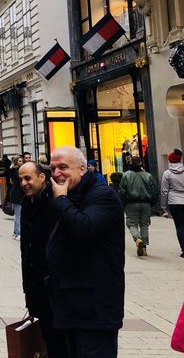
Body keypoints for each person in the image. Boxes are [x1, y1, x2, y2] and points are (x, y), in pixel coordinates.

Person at [47, 146, 124, 358]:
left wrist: (62, 201)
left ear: (82, 169)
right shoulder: (72, 193)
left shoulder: (103, 196)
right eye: (53, 168)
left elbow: (85, 229)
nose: (56, 173)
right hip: (72, 306)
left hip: (94, 309)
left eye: (63, 167)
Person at [18, 162, 64, 358]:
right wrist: (28, 289)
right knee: (48, 337)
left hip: (55, 289)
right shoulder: (28, 203)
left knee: (60, 342)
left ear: (42, 177)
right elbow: (26, 250)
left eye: (28, 178)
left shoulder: (56, 202)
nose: (23, 183)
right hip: (36, 286)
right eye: (20, 179)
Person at [118, 155, 158, 256]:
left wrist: (123, 203)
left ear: (131, 163)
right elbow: (154, 190)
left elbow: (121, 191)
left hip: (131, 203)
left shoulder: (126, 175)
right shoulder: (147, 175)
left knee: (132, 224)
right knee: (144, 224)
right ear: (141, 163)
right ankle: (144, 247)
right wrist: (152, 202)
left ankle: (137, 238)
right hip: (146, 203)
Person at [161, 150, 184, 258]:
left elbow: (164, 191)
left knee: (179, 226)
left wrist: (163, 206)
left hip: (174, 202)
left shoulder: (167, 174)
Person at [9, 155, 25, 240]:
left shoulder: (13, 170)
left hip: (16, 193)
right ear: (16, 162)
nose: (21, 162)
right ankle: (18, 233)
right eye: (19, 161)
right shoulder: (17, 171)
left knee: (17, 215)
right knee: (18, 215)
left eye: (22, 161)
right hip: (18, 194)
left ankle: (15, 232)